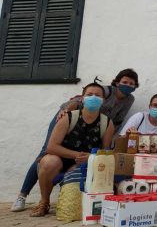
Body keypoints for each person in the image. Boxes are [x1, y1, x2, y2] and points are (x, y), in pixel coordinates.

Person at [12, 69, 139, 212]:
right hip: (72, 118)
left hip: (97, 124)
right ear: (117, 82)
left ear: (135, 86)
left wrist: (106, 132)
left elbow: (117, 121)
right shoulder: (104, 91)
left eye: (131, 83)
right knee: (45, 156)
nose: (127, 85)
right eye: (124, 82)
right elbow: (77, 100)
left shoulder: (129, 100)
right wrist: (66, 111)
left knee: (90, 157)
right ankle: (23, 195)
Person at [30, 83, 115, 217]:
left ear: (103, 100)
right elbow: (51, 146)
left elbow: (106, 152)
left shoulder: (107, 123)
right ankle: (44, 202)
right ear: (82, 98)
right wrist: (76, 154)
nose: (93, 97)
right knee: (49, 162)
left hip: (84, 162)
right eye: (89, 94)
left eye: (97, 95)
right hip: (60, 158)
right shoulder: (69, 117)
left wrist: (91, 157)